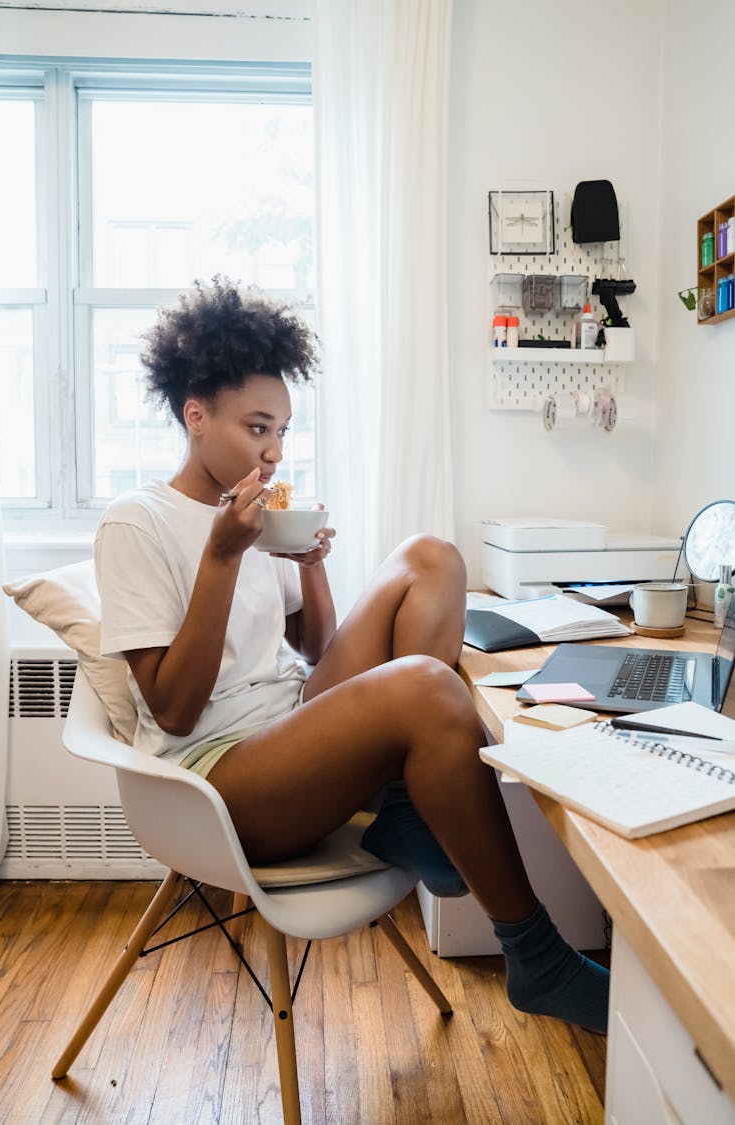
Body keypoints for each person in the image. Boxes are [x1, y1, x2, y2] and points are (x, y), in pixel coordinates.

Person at [95, 277, 609, 1035]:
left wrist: (304, 558)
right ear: (194, 416)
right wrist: (221, 558)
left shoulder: (250, 507)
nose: (273, 451)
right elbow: (173, 707)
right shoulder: (136, 523)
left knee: (431, 557)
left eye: (283, 431)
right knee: (427, 689)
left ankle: (405, 808)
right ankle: (537, 956)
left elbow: (312, 647)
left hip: (287, 725)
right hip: (214, 780)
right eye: (257, 428)